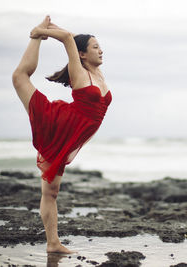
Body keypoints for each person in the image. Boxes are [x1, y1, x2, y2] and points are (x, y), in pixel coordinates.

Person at [12, 16, 112, 253]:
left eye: (100, 46)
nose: (101, 50)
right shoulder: (80, 73)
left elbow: (71, 37)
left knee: (52, 192)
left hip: (69, 136)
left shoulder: (97, 74)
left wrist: (49, 27)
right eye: (95, 47)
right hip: (56, 124)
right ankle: (53, 243)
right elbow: (69, 39)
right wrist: (39, 32)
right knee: (19, 77)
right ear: (82, 55)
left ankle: (53, 243)